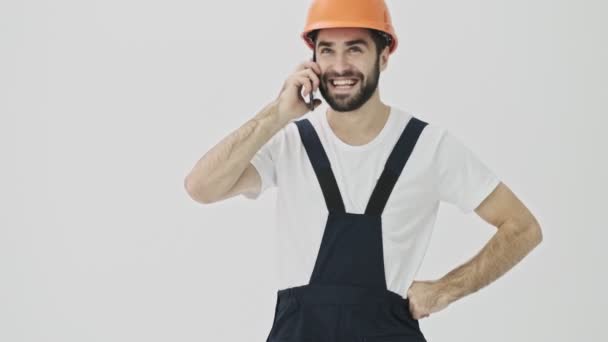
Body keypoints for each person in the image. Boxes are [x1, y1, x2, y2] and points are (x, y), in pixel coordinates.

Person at [184, 0, 543, 341]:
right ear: (312, 60)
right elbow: (201, 187)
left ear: (383, 57)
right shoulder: (289, 142)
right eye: (327, 50)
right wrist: (277, 113)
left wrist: (447, 289)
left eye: (355, 49)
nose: (340, 66)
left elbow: (523, 228)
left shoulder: (428, 147)